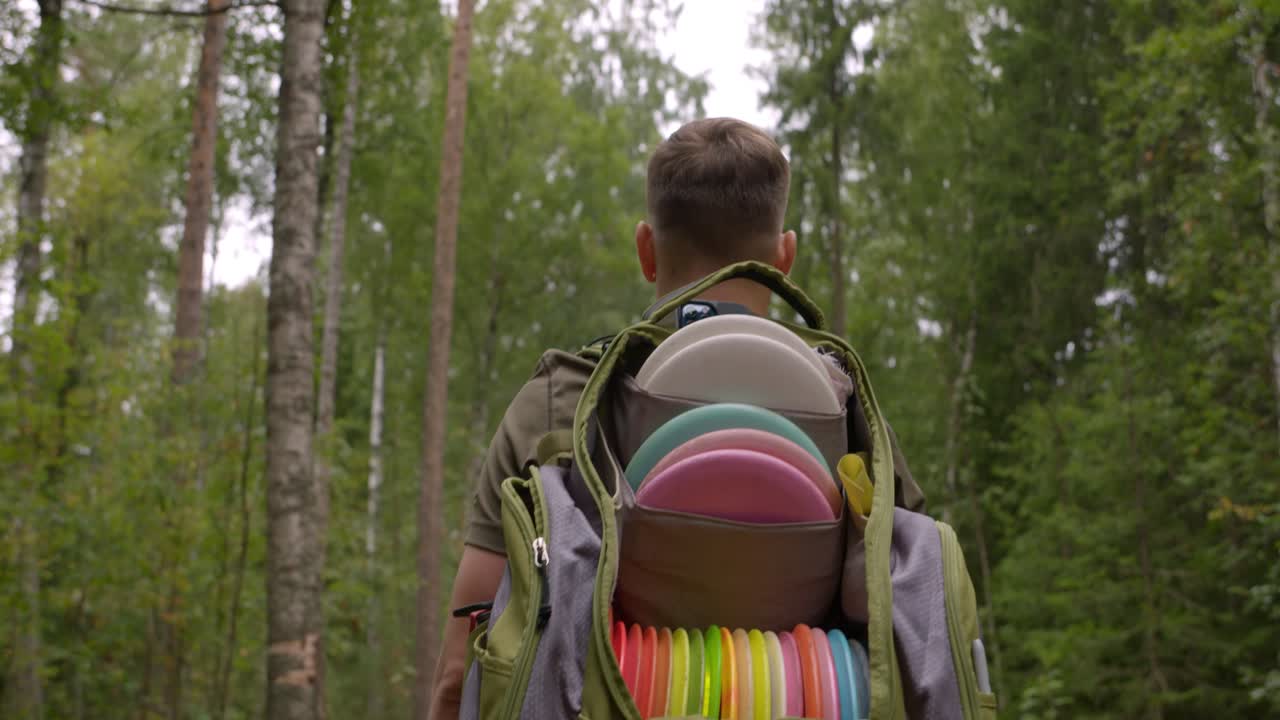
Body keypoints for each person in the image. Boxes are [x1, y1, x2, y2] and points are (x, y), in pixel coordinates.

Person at [427, 117, 923, 719]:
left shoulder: (563, 401)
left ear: (646, 249)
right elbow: (915, 641)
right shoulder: (851, 417)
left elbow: (463, 669)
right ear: (783, 259)